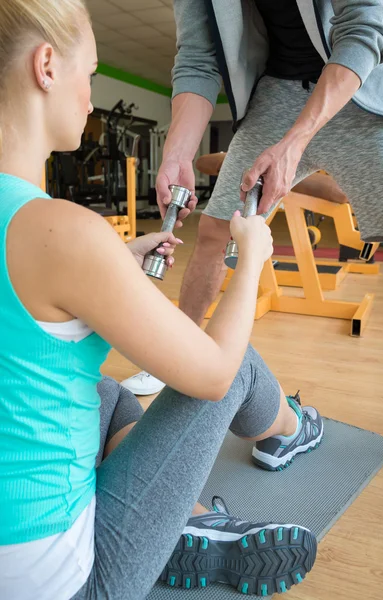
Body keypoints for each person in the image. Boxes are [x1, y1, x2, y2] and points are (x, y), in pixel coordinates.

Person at [0, 1, 324, 598]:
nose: (91, 97)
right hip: (70, 585)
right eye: (90, 73)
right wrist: (249, 256)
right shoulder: (65, 232)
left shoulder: (52, 238)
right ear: (46, 65)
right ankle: (291, 430)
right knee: (232, 365)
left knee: (106, 395)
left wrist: (115, 263)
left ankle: (190, 519)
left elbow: (18, 304)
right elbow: (213, 372)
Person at [129, 0, 383, 395]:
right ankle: (177, 356)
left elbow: (366, 27)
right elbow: (197, 58)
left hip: (359, 84)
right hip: (278, 92)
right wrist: (177, 154)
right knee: (213, 232)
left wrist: (296, 140)